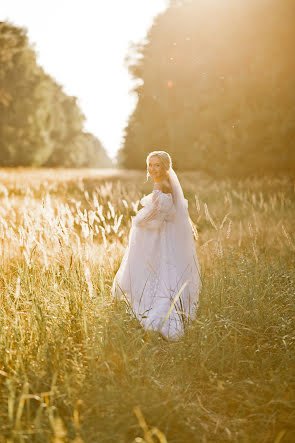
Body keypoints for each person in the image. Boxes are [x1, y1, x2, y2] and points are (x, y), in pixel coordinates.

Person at [112, 150, 202, 340]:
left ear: (165, 166)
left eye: (157, 165)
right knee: (165, 271)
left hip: (161, 236)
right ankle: (169, 306)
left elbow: (158, 212)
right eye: (150, 165)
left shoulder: (162, 183)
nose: (152, 169)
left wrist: (138, 222)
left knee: (158, 270)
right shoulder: (167, 183)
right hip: (165, 235)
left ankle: (157, 312)